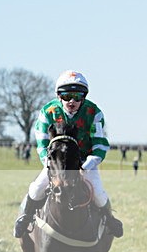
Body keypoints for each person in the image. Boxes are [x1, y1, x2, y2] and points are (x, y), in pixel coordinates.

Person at [13, 70, 124, 238]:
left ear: (83, 98)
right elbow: (42, 145)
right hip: (56, 162)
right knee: (36, 188)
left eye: (77, 97)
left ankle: (109, 220)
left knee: (99, 194)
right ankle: (25, 218)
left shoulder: (94, 113)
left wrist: (86, 166)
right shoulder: (47, 112)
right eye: (67, 96)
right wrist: (50, 165)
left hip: (85, 161)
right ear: (59, 96)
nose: (72, 101)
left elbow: (100, 145)